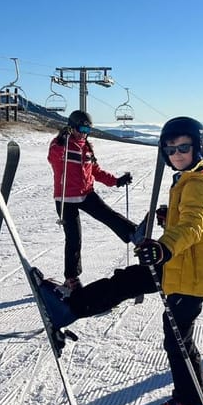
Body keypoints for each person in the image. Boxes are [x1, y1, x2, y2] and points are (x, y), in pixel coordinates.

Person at [37, 117, 203, 405]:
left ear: (199, 148)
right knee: (127, 282)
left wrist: (163, 247)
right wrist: (170, 219)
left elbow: (193, 228)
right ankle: (70, 308)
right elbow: (189, 223)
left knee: (177, 337)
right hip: (181, 265)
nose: (177, 153)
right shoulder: (192, 178)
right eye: (170, 148)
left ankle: (191, 402)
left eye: (184, 147)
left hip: (189, 273)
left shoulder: (197, 185)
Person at [48, 109, 136, 291]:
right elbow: (52, 158)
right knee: (74, 238)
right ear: (71, 127)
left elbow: (96, 171)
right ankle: (71, 278)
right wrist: (61, 143)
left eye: (88, 130)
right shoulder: (60, 145)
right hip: (66, 197)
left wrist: (116, 181)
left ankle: (134, 233)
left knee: (108, 215)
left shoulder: (87, 147)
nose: (84, 133)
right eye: (81, 129)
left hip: (86, 193)